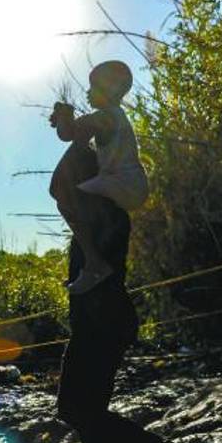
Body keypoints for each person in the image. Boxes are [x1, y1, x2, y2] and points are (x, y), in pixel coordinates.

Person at [54, 135, 183, 443]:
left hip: (103, 322)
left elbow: (59, 188)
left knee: (78, 408)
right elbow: (63, 190)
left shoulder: (101, 213)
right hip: (99, 321)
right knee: (82, 407)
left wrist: (78, 137)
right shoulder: (97, 212)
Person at [49, 60, 149, 295]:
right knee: (65, 192)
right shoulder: (112, 117)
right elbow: (75, 136)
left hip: (124, 184)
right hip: (126, 184)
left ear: (110, 90)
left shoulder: (106, 117)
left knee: (66, 198)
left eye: (93, 87)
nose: (87, 92)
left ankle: (94, 263)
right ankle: (93, 260)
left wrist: (65, 117)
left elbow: (68, 134)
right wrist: (65, 119)